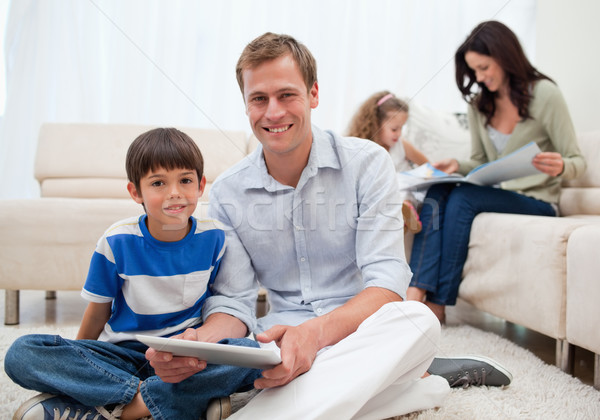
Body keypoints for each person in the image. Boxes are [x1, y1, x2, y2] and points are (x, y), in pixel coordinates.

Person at [147, 33, 512, 419]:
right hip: (280, 342)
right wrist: (198, 344)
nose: (273, 112)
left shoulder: (367, 163)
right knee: (239, 363)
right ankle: (413, 387)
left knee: (418, 320)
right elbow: (236, 302)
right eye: (259, 99)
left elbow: (387, 283)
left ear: (313, 94)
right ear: (246, 104)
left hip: (363, 330)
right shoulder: (227, 192)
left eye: (287, 95)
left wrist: (316, 335)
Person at [5, 128, 262, 420]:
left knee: (249, 352)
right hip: (125, 357)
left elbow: (218, 300)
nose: (175, 192)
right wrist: (81, 358)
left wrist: (199, 348)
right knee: (21, 353)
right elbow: (97, 311)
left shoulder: (215, 237)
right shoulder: (116, 242)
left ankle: (116, 408)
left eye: (185, 180)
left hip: (184, 356)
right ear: (135, 192)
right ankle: (159, 401)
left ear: (201, 185)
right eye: (158, 183)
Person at [407, 20, 587, 323]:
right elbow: (480, 160)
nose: (479, 77)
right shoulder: (479, 105)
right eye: (474, 70)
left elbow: (576, 161)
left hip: (538, 201)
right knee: (438, 190)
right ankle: (415, 294)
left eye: (484, 67)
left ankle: (439, 304)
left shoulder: (545, 94)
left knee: (463, 199)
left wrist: (562, 166)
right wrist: (456, 165)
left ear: (504, 56)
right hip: (498, 194)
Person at [347, 90, 429, 233]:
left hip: (405, 187)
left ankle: (405, 212)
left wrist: (434, 172)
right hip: (382, 192)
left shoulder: (402, 146)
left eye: (401, 128)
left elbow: (427, 165)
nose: (398, 134)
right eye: (394, 129)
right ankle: (398, 218)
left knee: (403, 188)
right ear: (376, 124)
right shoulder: (363, 148)